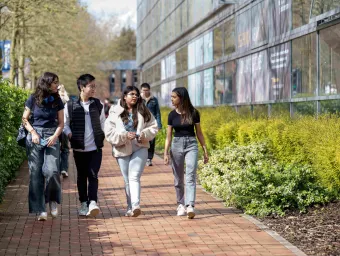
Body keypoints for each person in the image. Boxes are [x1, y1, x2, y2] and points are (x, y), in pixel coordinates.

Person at [104, 86, 158, 217]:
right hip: (122, 148)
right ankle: (130, 206)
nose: (135, 96)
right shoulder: (114, 111)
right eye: (131, 94)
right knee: (127, 179)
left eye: (136, 94)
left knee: (134, 176)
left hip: (140, 147)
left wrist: (143, 134)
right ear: (124, 96)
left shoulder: (143, 110)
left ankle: (135, 205)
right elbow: (109, 132)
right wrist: (124, 136)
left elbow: (154, 127)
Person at [22, 72, 64, 221]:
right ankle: (40, 209)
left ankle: (52, 200)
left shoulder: (57, 100)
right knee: (35, 174)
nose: (56, 85)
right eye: (54, 82)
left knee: (52, 171)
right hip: (35, 137)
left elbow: (61, 123)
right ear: (46, 83)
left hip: (52, 135)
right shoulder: (33, 99)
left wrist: (55, 136)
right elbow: (24, 119)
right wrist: (33, 133)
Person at [63, 74, 105, 217]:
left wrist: (101, 136)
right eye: (91, 86)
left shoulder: (98, 104)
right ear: (82, 87)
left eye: (95, 86)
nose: (94, 89)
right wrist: (69, 134)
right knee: (82, 176)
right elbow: (65, 124)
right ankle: (83, 203)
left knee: (93, 175)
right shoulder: (70, 105)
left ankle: (93, 202)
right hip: (79, 148)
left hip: (95, 148)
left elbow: (102, 123)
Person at [164, 87, 209, 219]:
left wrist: (205, 149)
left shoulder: (194, 113)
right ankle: (180, 204)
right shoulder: (171, 115)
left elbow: (199, 133)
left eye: (174, 97)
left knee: (190, 175)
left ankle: (190, 205)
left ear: (181, 98)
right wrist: (166, 153)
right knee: (178, 178)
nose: (171, 99)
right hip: (176, 145)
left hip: (191, 145)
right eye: (171, 97)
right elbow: (168, 136)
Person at [141, 83, 162, 166]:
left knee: (152, 141)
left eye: (147, 90)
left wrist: (159, 124)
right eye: (143, 90)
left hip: (152, 124)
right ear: (141, 90)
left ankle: (149, 158)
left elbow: (157, 113)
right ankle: (142, 157)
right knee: (141, 140)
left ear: (149, 90)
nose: (145, 92)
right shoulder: (139, 99)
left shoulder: (154, 100)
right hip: (141, 124)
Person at [58, 84, 70, 178]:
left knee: (55, 149)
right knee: (65, 149)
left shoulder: (53, 99)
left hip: (55, 128)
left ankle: (56, 168)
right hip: (64, 128)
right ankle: (64, 169)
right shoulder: (67, 100)